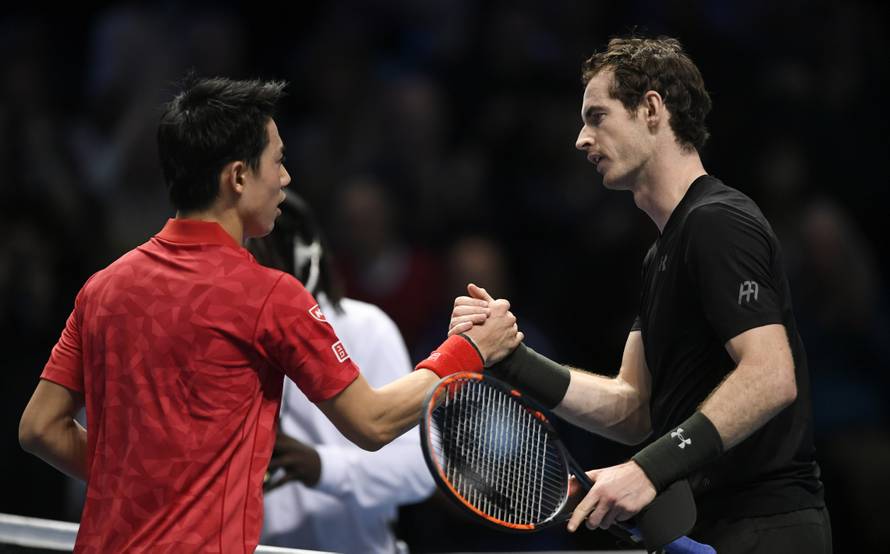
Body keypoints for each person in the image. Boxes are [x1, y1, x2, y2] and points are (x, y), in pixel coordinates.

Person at [17, 76, 521, 553]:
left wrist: (141, 484)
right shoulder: (268, 295)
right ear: (238, 177)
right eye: (277, 162)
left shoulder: (102, 288)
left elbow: (39, 429)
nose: (286, 178)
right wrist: (468, 351)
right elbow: (373, 422)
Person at [450, 36, 830, 553]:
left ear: (651, 109)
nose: (581, 139)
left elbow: (771, 375)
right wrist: (510, 357)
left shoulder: (717, 222)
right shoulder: (663, 251)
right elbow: (633, 408)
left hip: (768, 526)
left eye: (597, 116)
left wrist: (646, 470)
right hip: (709, 528)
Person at [249, 191, 434, 554]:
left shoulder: (367, 327)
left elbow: (420, 466)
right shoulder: (225, 335)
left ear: (302, 257)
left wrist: (322, 467)